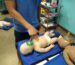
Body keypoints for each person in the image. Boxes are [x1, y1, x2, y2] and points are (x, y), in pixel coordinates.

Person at [5, 0, 41, 65]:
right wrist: (29, 27)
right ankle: (20, 62)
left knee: (35, 51)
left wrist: (38, 20)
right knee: (22, 53)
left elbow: (38, 5)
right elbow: (11, 10)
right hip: (21, 29)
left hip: (35, 27)